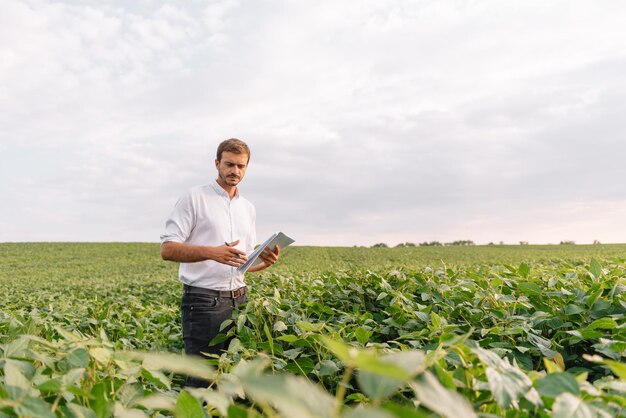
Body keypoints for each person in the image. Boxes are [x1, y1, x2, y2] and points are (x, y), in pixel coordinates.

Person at [160, 138, 280, 387]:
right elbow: (167, 249)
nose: (234, 171)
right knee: (202, 380)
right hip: (204, 302)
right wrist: (211, 252)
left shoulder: (248, 208)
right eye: (229, 164)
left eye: (241, 166)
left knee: (230, 378)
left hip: (240, 299)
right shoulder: (194, 198)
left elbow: (239, 265)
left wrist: (263, 262)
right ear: (217, 163)